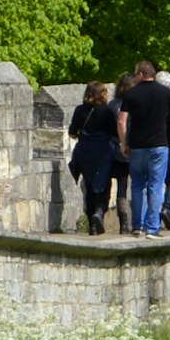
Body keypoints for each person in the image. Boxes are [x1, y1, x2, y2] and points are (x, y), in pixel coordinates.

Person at [118, 59, 170, 236]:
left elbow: (122, 120)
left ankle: (137, 226)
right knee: (155, 185)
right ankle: (152, 227)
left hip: (137, 146)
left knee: (137, 185)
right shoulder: (164, 92)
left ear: (140, 74)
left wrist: (124, 143)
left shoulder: (131, 94)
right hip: (159, 145)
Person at [65, 81, 122, 234]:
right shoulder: (107, 111)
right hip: (103, 152)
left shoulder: (79, 110)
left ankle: (92, 226)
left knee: (89, 187)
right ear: (102, 94)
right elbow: (115, 133)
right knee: (104, 184)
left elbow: (72, 133)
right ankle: (99, 211)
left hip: (84, 152)